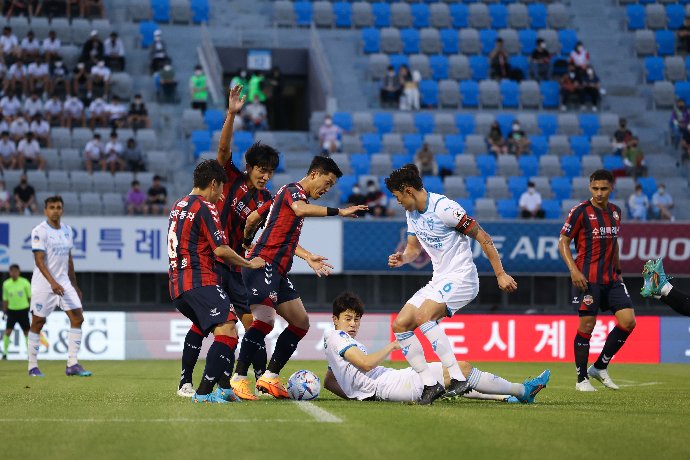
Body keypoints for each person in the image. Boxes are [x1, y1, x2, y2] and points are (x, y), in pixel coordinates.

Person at [236, 156, 367, 400]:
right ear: (315, 174)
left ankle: (270, 377)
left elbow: (254, 219)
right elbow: (298, 209)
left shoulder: (282, 198)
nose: (327, 189)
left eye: (331, 186)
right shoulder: (291, 192)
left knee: (300, 323)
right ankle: (239, 378)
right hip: (263, 263)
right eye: (327, 183)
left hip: (279, 270)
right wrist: (339, 211)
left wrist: (306, 256)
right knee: (264, 321)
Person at [385, 164, 518, 404]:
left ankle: (457, 377)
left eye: (397, 197)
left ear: (408, 191)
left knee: (425, 316)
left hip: (462, 277)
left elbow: (483, 237)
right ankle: (429, 384)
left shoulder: (445, 208)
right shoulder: (411, 212)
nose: (397, 203)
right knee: (401, 324)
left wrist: (500, 274)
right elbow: (414, 249)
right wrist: (403, 258)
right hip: (439, 278)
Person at [178, 87, 280, 398]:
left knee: (253, 325)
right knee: (204, 324)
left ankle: (256, 379)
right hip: (211, 262)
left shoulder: (266, 200)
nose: (265, 176)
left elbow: (255, 236)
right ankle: (186, 381)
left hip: (234, 266)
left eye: (270, 172)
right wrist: (232, 114)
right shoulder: (230, 178)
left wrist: (250, 240)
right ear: (249, 167)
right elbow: (223, 148)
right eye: (262, 170)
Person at [323, 292, 550, 404]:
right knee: (461, 369)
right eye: (348, 318)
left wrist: (357, 396)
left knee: (454, 379)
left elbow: (329, 380)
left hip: (391, 380)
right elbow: (365, 363)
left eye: (356, 319)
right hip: (389, 385)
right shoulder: (337, 336)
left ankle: (506, 397)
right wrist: (392, 345)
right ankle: (522, 391)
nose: (353, 324)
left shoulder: (335, 340)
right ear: (335, 319)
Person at [168, 159, 265, 403]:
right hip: (200, 280)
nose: (222, 195)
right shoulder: (205, 207)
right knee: (228, 331)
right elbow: (221, 249)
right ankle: (203, 394)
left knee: (225, 328)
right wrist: (248, 263)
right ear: (213, 183)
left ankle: (223, 388)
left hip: (178, 284)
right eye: (221, 188)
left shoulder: (178, 205)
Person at [558, 169, 636, 392]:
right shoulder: (580, 211)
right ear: (590, 187)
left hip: (611, 278)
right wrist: (574, 271)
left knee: (628, 321)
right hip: (587, 278)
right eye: (595, 188)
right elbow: (562, 242)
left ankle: (600, 366)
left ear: (612, 188)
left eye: (604, 188)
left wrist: (619, 270)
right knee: (587, 326)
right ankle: (581, 378)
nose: (599, 193)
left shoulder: (616, 212)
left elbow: (614, 243)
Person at [28, 196, 92, 377]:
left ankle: (72, 364)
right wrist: (52, 283)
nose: (55, 210)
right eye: (51, 207)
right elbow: (39, 261)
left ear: (62, 210)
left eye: (58, 207)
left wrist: (74, 284)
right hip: (43, 284)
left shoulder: (67, 230)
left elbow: (69, 258)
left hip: (63, 282)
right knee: (38, 322)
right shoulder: (39, 231)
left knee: (78, 317)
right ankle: (32, 366)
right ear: (45, 210)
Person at [2, 264, 31, 360]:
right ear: (10, 272)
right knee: (8, 332)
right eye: (12, 271)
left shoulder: (25, 282)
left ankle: (30, 354)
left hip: (23, 310)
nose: (14, 273)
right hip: (12, 311)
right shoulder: (6, 284)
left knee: (27, 332)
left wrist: (32, 309)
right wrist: (4, 311)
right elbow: (5, 299)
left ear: (19, 272)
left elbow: (30, 297)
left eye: (15, 271)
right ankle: (5, 354)